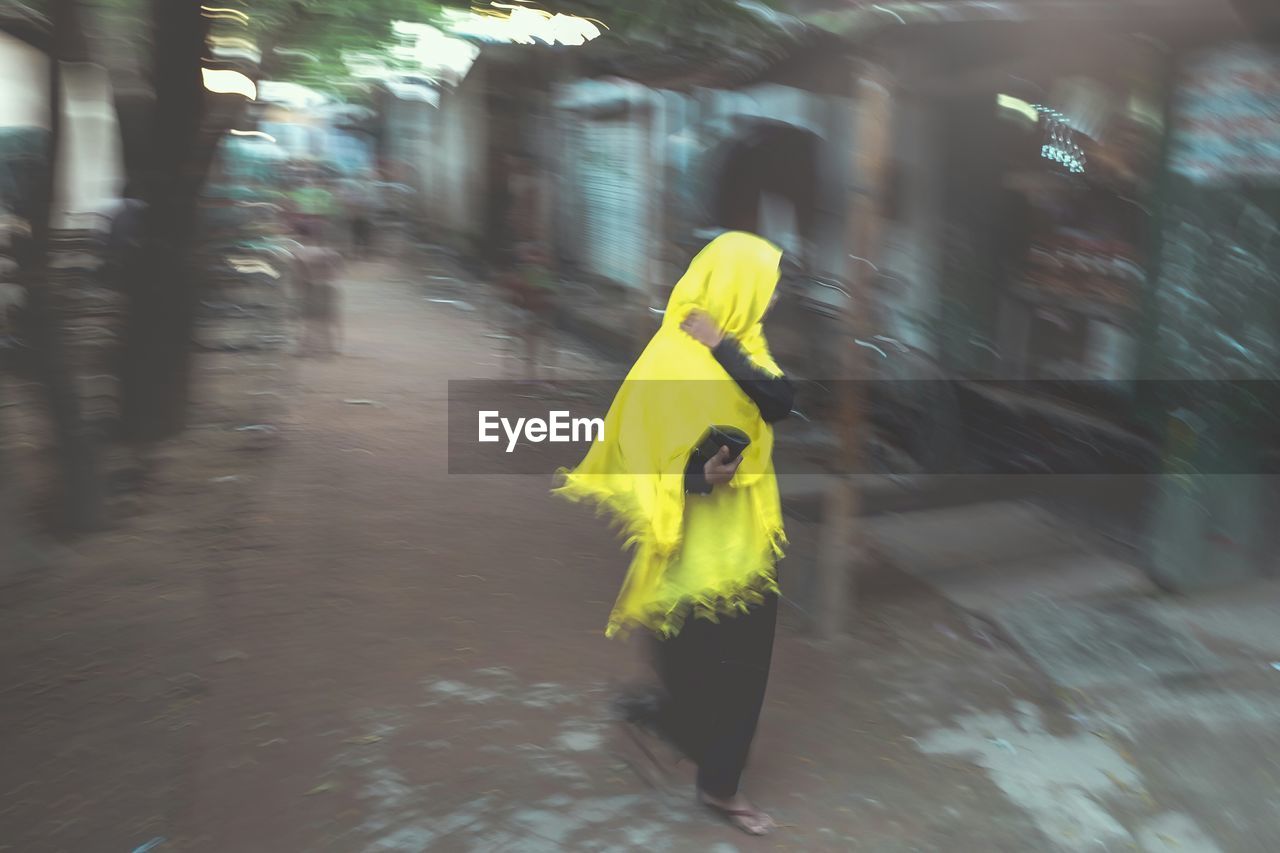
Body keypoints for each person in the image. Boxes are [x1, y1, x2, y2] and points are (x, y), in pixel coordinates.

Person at [554, 232, 794, 836]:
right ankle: (668, 721)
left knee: (744, 676)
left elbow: (779, 401)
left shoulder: (751, 350)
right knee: (687, 671)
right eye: (765, 286)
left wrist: (725, 348)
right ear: (731, 286)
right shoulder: (666, 362)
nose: (772, 299)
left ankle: (720, 788)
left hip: (747, 545)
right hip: (687, 549)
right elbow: (639, 450)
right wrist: (695, 474)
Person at [291, 222, 343, 357]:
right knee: (328, 319)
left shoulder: (299, 253)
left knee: (308, 320)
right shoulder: (330, 252)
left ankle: (304, 349)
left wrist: (298, 290)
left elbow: (299, 276)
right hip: (330, 286)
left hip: (312, 287)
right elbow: (338, 270)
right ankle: (332, 347)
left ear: (298, 236)